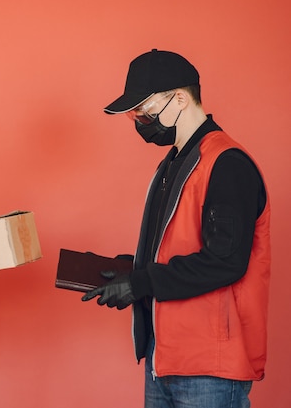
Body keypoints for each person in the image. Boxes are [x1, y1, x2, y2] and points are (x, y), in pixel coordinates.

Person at [81, 49, 271, 408]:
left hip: (210, 367)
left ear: (180, 99)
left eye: (145, 110)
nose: (138, 119)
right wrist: (128, 269)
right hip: (164, 357)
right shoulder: (174, 164)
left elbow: (226, 261)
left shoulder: (227, 164)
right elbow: (174, 246)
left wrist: (141, 282)